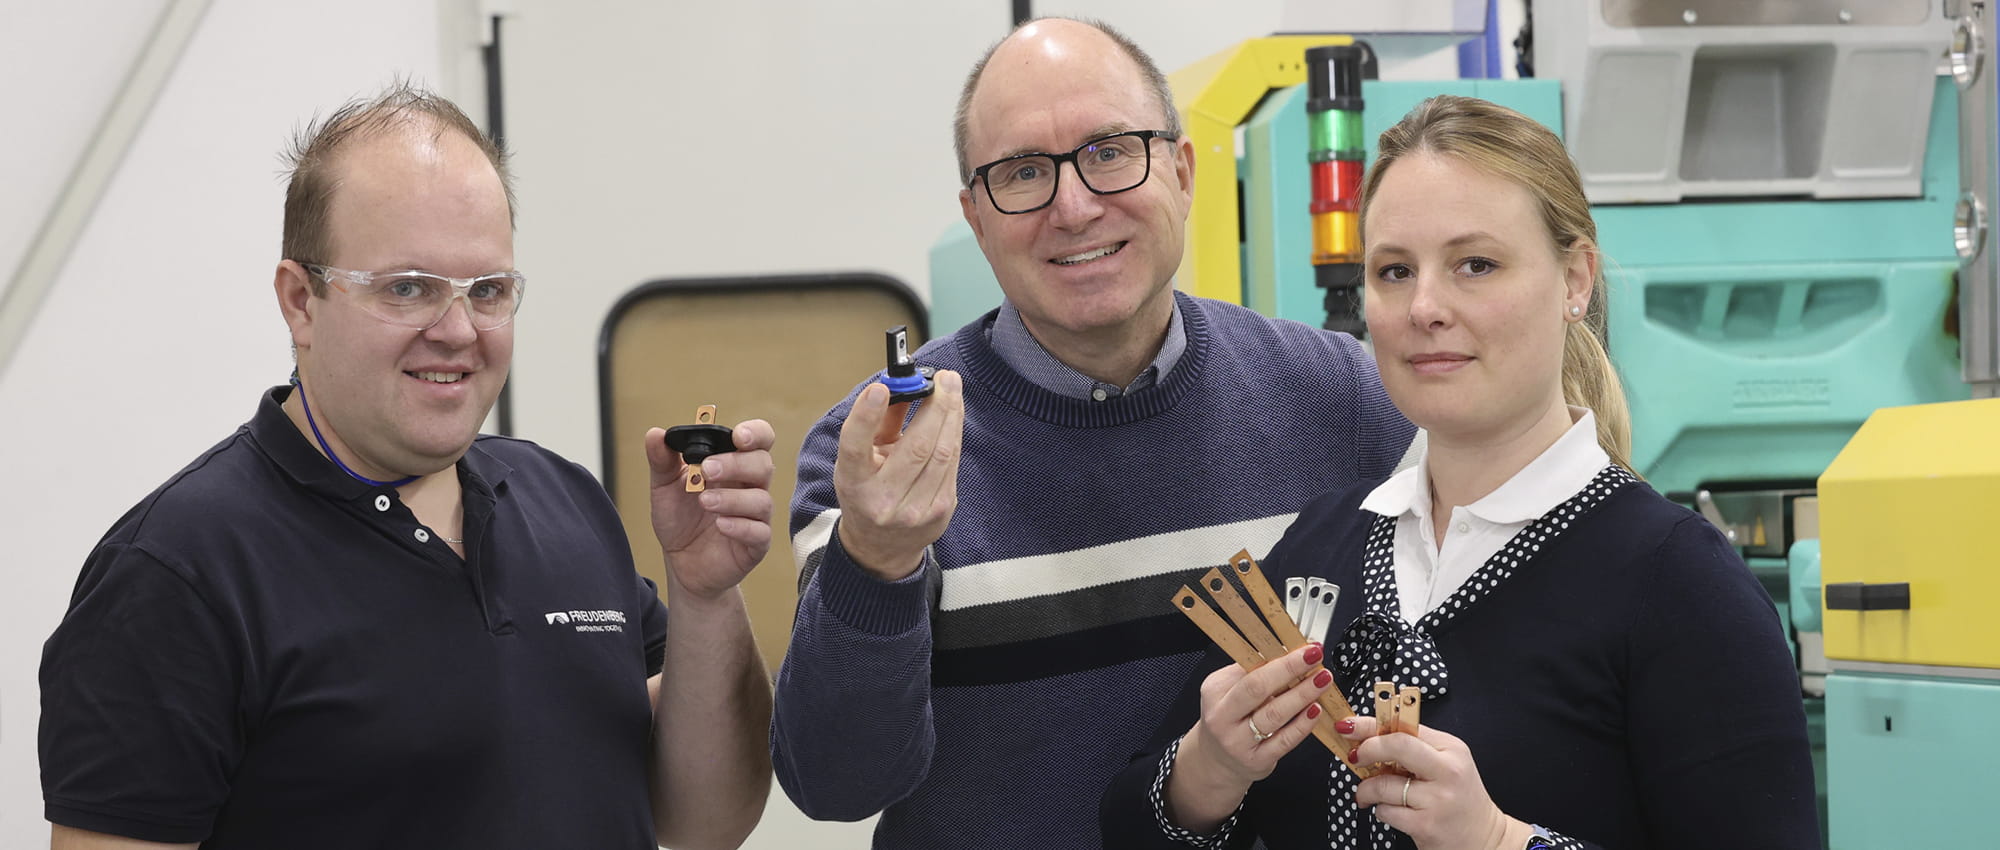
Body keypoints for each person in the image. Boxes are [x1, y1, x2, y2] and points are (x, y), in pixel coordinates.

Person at [39, 84, 774, 850]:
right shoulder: (178, 573)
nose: (457, 331)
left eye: (487, 290)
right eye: (408, 289)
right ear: (300, 300)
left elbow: (705, 824)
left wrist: (705, 596)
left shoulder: (566, 503)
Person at [1100, 94, 1820, 849]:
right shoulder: (1321, 550)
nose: (1426, 307)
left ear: (1575, 280)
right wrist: (1206, 771)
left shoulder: (1679, 586)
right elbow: (1124, 827)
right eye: (1394, 271)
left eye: (1476, 264)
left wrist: (1502, 841)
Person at [770, 17, 1416, 849]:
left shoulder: (1342, 402)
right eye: (1023, 172)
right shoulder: (884, 454)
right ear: (975, 217)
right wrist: (877, 560)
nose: (1073, 207)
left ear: (1183, 172)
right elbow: (835, 783)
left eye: (1111, 151)